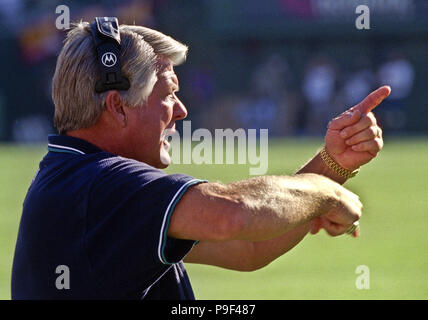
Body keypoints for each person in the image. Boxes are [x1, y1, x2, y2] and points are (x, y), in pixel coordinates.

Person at [11, 19, 390, 300]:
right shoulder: (97, 185)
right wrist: (326, 192)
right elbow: (234, 214)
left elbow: (248, 248)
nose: (181, 110)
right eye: (168, 94)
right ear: (117, 107)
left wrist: (333, 163)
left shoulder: (80, 180)